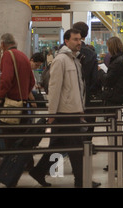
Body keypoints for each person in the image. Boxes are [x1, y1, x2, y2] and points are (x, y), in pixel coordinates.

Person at [29, 29, 100, 188]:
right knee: (76, 149)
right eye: (75, 39)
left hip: (73, 110)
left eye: (80, 39)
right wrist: (51, 114)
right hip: (65, 112)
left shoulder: (74, 60)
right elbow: (54, 89)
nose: (79, 42)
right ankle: (81, 181)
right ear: (66, 41)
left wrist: (80, 107)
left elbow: (78, 87)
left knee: (59, 145)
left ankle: (39, 171)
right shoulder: (61, 60)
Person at [0, 34, 36, 150]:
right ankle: (25, 164)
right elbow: (32, 81)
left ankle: (10, 164)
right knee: (23, 138)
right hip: (24, 104)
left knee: (9, 138)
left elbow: (6, 79)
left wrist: (1, 95)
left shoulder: (7, 55)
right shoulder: (23, 56)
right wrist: (24, 94)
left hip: (12, 105)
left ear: (3, 44)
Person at [97, 36, 123, 107]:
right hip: (118, 96)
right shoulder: (120, 60)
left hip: (114, 97)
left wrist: (100, 71)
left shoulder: (117, 62)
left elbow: (108, 80)